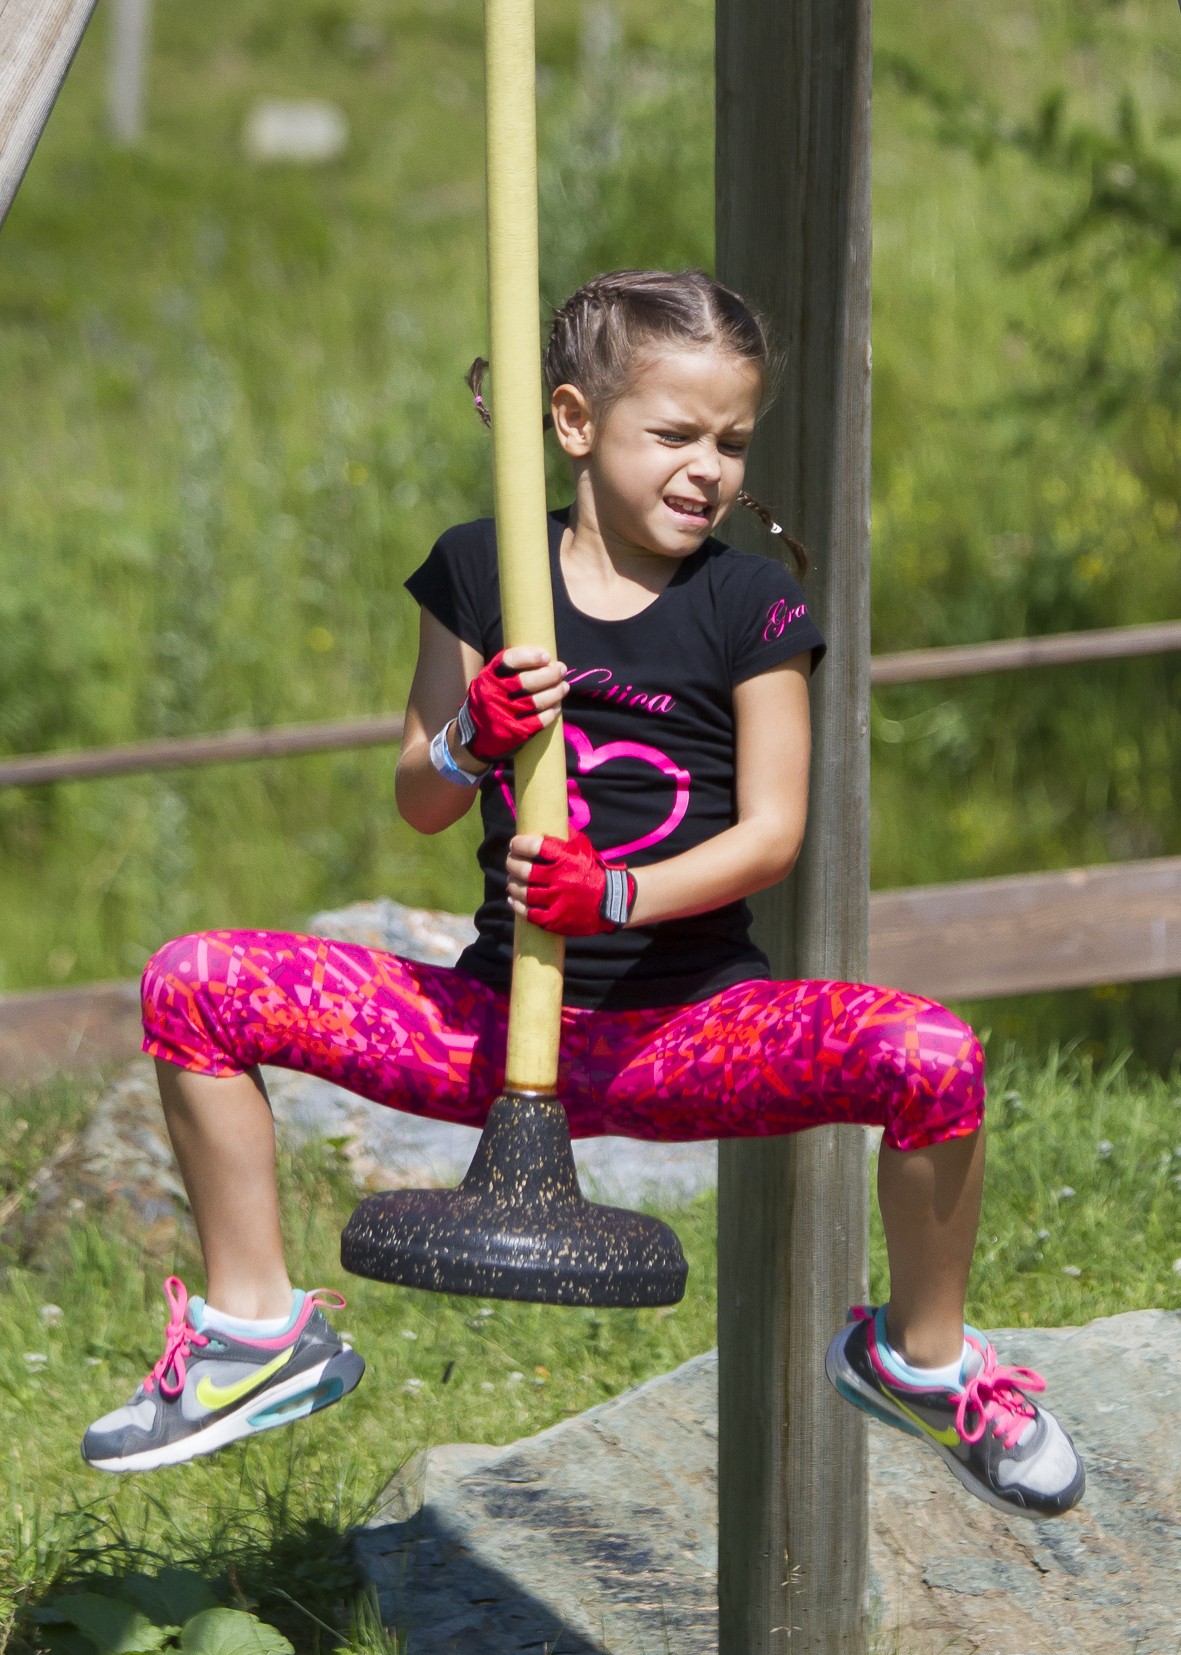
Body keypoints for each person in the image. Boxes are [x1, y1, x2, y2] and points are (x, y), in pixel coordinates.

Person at [82, 269, 1084, 1518]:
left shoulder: (749, 604)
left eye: (730, 441)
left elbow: (771, 834)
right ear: (571, 421)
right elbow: (419, 797)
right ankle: (252, 1333)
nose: (706, 468)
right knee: (196, 982)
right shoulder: (481, 570)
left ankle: (920, 1360)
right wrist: (471, 736)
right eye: (672, 434)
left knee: (931, 1057)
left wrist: (613, 895)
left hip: (688, 1032)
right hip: (496, 1027)